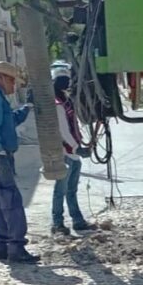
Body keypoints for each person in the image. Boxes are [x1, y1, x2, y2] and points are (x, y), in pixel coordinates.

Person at [0, 61, 38, 264]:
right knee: (11, 199)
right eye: (12, 80)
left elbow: (7, 120)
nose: (14, 85)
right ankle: (16, 247)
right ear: (1, 77)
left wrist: (26, 109)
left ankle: (0, 245)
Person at [50, 66, 96, 235]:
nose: (67, 82)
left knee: (71, 190)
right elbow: (63, 130)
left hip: (73, 153)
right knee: (60, 190)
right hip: (65, 153)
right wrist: (76, 147)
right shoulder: (57, 104)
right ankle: (57, 223)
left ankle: (77, 220)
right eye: (63, 79)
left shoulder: (66, 100)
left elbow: (73, 125)